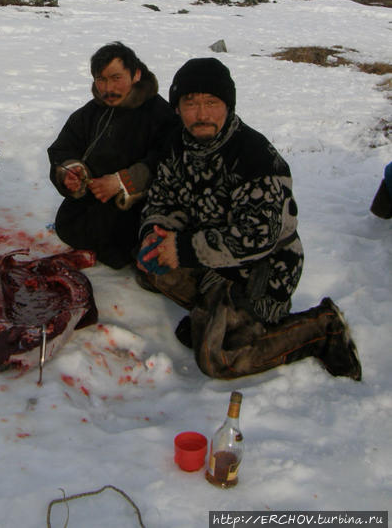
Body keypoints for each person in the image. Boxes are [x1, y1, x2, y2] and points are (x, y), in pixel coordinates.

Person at [136, 57, 362, 381]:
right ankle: (212, 315)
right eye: (191, 103)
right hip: (208, 252)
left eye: (211, 103)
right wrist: (156, 234)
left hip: (260, 268)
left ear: (228, 105)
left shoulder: (255, 157)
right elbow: (163, 199)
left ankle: (322, 328)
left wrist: (182, 250)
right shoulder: (178, 144)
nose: (201, 114)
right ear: (177, 108)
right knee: (150, 268)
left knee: (218, 360)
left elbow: (256, 238)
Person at [47, 42, 179, 269]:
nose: (108, 88)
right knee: (70, 226)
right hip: (93, 205)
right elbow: (63, 148)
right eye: (101, 80)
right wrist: (70, 171)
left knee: (122, 245)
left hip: (138, 209)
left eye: (116, 78)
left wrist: (122, 182)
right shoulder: (90, 113)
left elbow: (168, 161)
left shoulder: (160, 115)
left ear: (136, 74)